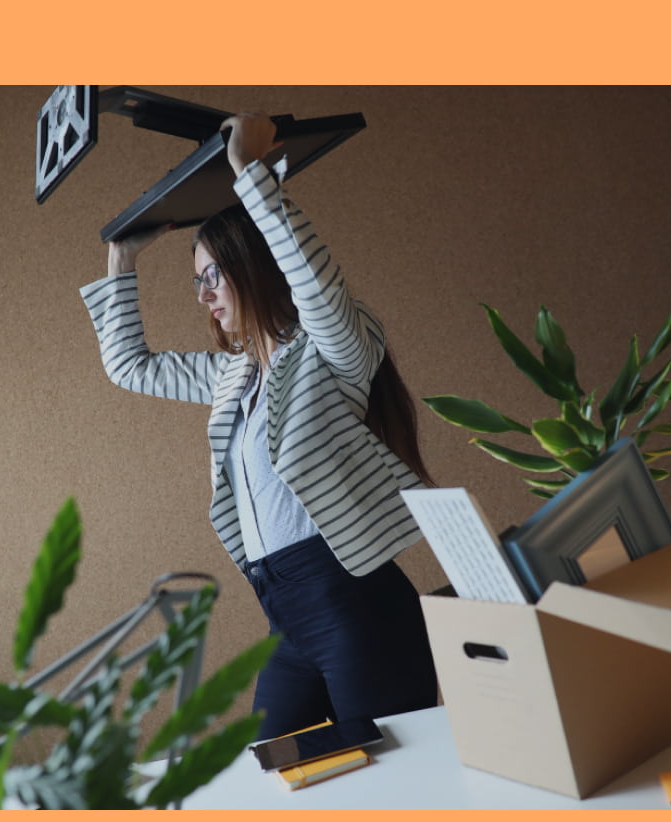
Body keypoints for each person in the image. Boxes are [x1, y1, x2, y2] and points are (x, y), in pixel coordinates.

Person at [79, 112, 440, 739]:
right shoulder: (232, 375)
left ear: (255, 266)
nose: (203, 295)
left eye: (214, 274)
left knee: (394, 791)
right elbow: (129, 367)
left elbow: (316, 284)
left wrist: (250, 175)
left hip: (357, 609)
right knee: (274, 774)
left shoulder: (337, 348)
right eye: (197, 281)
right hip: (285, 618)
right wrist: (122, 258)